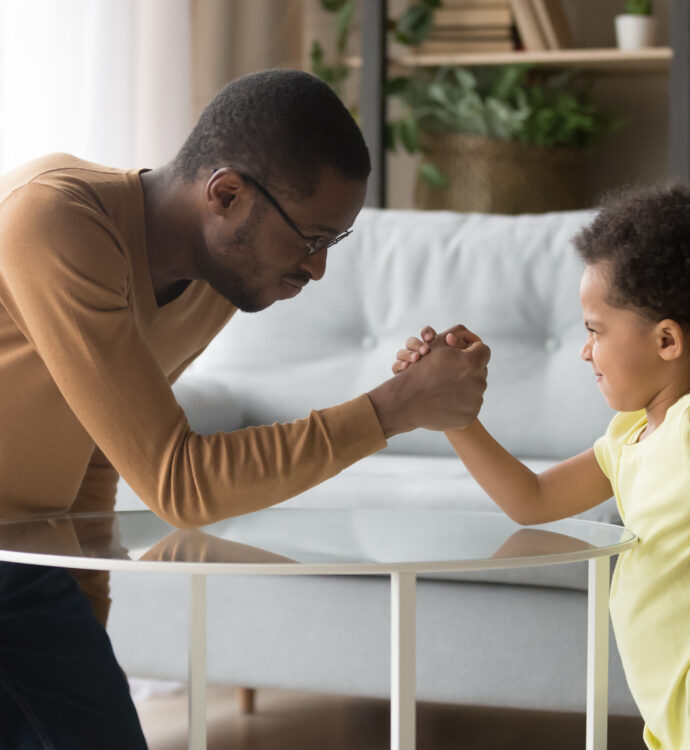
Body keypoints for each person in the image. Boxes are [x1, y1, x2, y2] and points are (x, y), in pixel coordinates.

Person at [0, 69, 489, 748]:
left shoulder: (217, 282)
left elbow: (105, 448)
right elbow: (180, 482)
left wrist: (86, 622)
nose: (316, 270)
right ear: (226, 194)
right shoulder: (54, 220)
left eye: (331, 246)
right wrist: (392, 407)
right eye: (310, 239)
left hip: (28, 560)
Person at [394, 181, 690, 749]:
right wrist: (453, 413)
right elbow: (531, 500)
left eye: (594, 331)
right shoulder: (627, 438)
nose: (585, 351)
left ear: (668, 340)